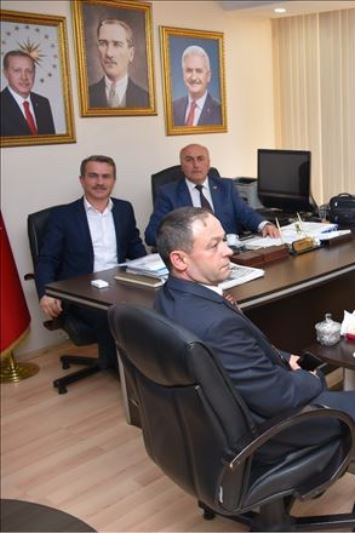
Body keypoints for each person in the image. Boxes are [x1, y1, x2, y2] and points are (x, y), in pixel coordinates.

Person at [154, 207, 355, 521]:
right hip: (260, 433)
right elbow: (277, 397)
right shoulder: (216, 324)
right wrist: (313, 377)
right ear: (179, 260)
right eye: (213, 245)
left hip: (207, 431)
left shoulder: (168, 299)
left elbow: (238, 356)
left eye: (223, 241)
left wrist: (284, 359)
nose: (228, 250)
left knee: (305, 379)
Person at [35, 155, 147, 370]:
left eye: (106, 176)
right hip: (82, 291)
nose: (100, 182)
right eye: (93, 176)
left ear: (114, 180)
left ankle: (151, 365)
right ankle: (125, 373)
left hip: (119, 283)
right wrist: (46, 293)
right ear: (82, 180)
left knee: (158, 302)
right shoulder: (63, 216)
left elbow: (135, 246)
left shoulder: (124, 209)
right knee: (114, 314)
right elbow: (47, 259)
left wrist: (153, 270)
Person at [144, 143, 279, 246]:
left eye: (200, 159)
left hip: (228, 250)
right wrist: (186, 242)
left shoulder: (226, 186)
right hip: (193, 256)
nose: (196, 165)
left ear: (208, 163)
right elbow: (151, 235)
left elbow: (245, 213)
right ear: (182, 165)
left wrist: (264, 225)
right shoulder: (168, 193)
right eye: (189, 160)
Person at [88, 19, 149, 109]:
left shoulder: (146, 99)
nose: (109, 53)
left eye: (117, 44)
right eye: (103, 44)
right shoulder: (87, 96)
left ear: (131, 53)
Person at [1, 50, 55, 136]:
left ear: (34, 73)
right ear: (6, 73)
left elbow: (51, 141)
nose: (24, 77)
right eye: (17, 70)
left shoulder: (43, 103)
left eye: (29, 71)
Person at [171, 45, 222, 127]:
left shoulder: (219, 111)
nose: (193, 77)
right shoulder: (173, 108)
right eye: (189, 70)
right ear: (183, 74)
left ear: (208, 76)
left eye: (199, 71)